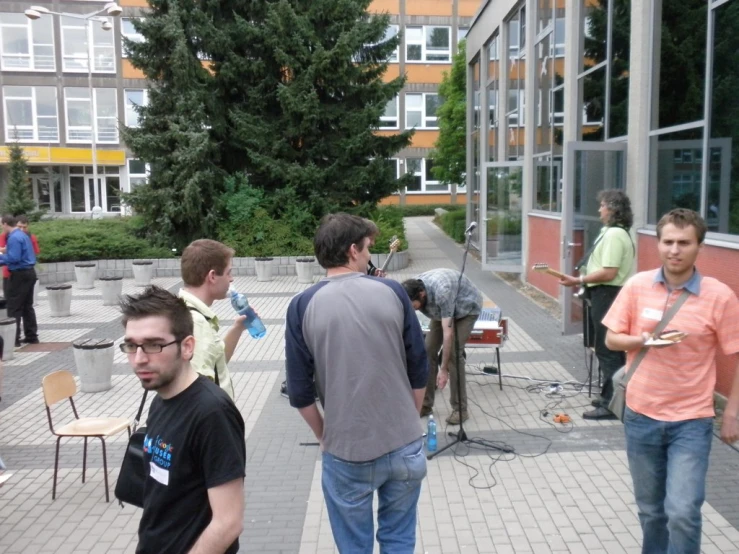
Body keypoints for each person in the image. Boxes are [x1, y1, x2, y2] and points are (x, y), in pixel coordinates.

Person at [285, 213, 428, 553]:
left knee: (354, 547)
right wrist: (408, 422)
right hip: (404, 445)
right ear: (352, 250)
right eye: (367, 250)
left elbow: (300, 391)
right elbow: (419, 368)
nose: (369, 257)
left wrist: (324, 436)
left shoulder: (302, 305)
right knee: (399, 540)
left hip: (346, 451)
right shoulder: (393, 291)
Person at [603, 208, 739, 554]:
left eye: (684, 243)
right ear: (658, 244)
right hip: (641, 415)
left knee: (682, 512)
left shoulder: (719, 295)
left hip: (691, 421)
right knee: (651, 512)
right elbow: (611, 339)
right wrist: (642, 340)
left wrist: (732, 413)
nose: (675, 250)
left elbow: (736, 354)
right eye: (668, 242)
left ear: (699, 247)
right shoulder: (637, 286)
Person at [120, 286, 246, 554]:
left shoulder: (211, 413)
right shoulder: (161, 398)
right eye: (131, 345)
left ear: (187, 347)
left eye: (154, 345)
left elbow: (228, 522)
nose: (139, 359)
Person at [559, 190, 634, 419]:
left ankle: (612, 405)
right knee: (606, 349)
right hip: (605, 293)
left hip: (607, 294)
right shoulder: (612, 232)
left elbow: (609, 272)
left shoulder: (614, 236)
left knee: (607, 350)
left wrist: (579, 279)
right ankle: (609, 395)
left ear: (612, 209)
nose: (599, 209)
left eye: (602, 206)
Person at [402, 269, 483, 425]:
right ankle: (425, 405)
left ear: (422, 294)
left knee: (454, 354)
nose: (413, 310)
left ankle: (460, 410)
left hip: (466, 308)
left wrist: (443, 369)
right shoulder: (411, 288)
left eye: (414, 306)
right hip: (441, 312)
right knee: (427, 351)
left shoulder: (442, 292)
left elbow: (448, 334)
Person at [178, 239, 249, 400]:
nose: (232, 279)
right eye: (228, 272)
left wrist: (237, 328)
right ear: (212, 276)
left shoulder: (184, 310)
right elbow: (197, 393)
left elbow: (216, 363)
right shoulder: (196, 323)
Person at [0, 215, 38, 347]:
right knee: (27, 306)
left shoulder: (14, 237)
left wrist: (1, 258)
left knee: (14, 307)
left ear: (5, 223)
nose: (1, 227)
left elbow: (14, 258)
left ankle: (13, 339)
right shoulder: (23, 235)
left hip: (19, 274)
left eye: (1, 224)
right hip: (29, 272)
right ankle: (31, 336)